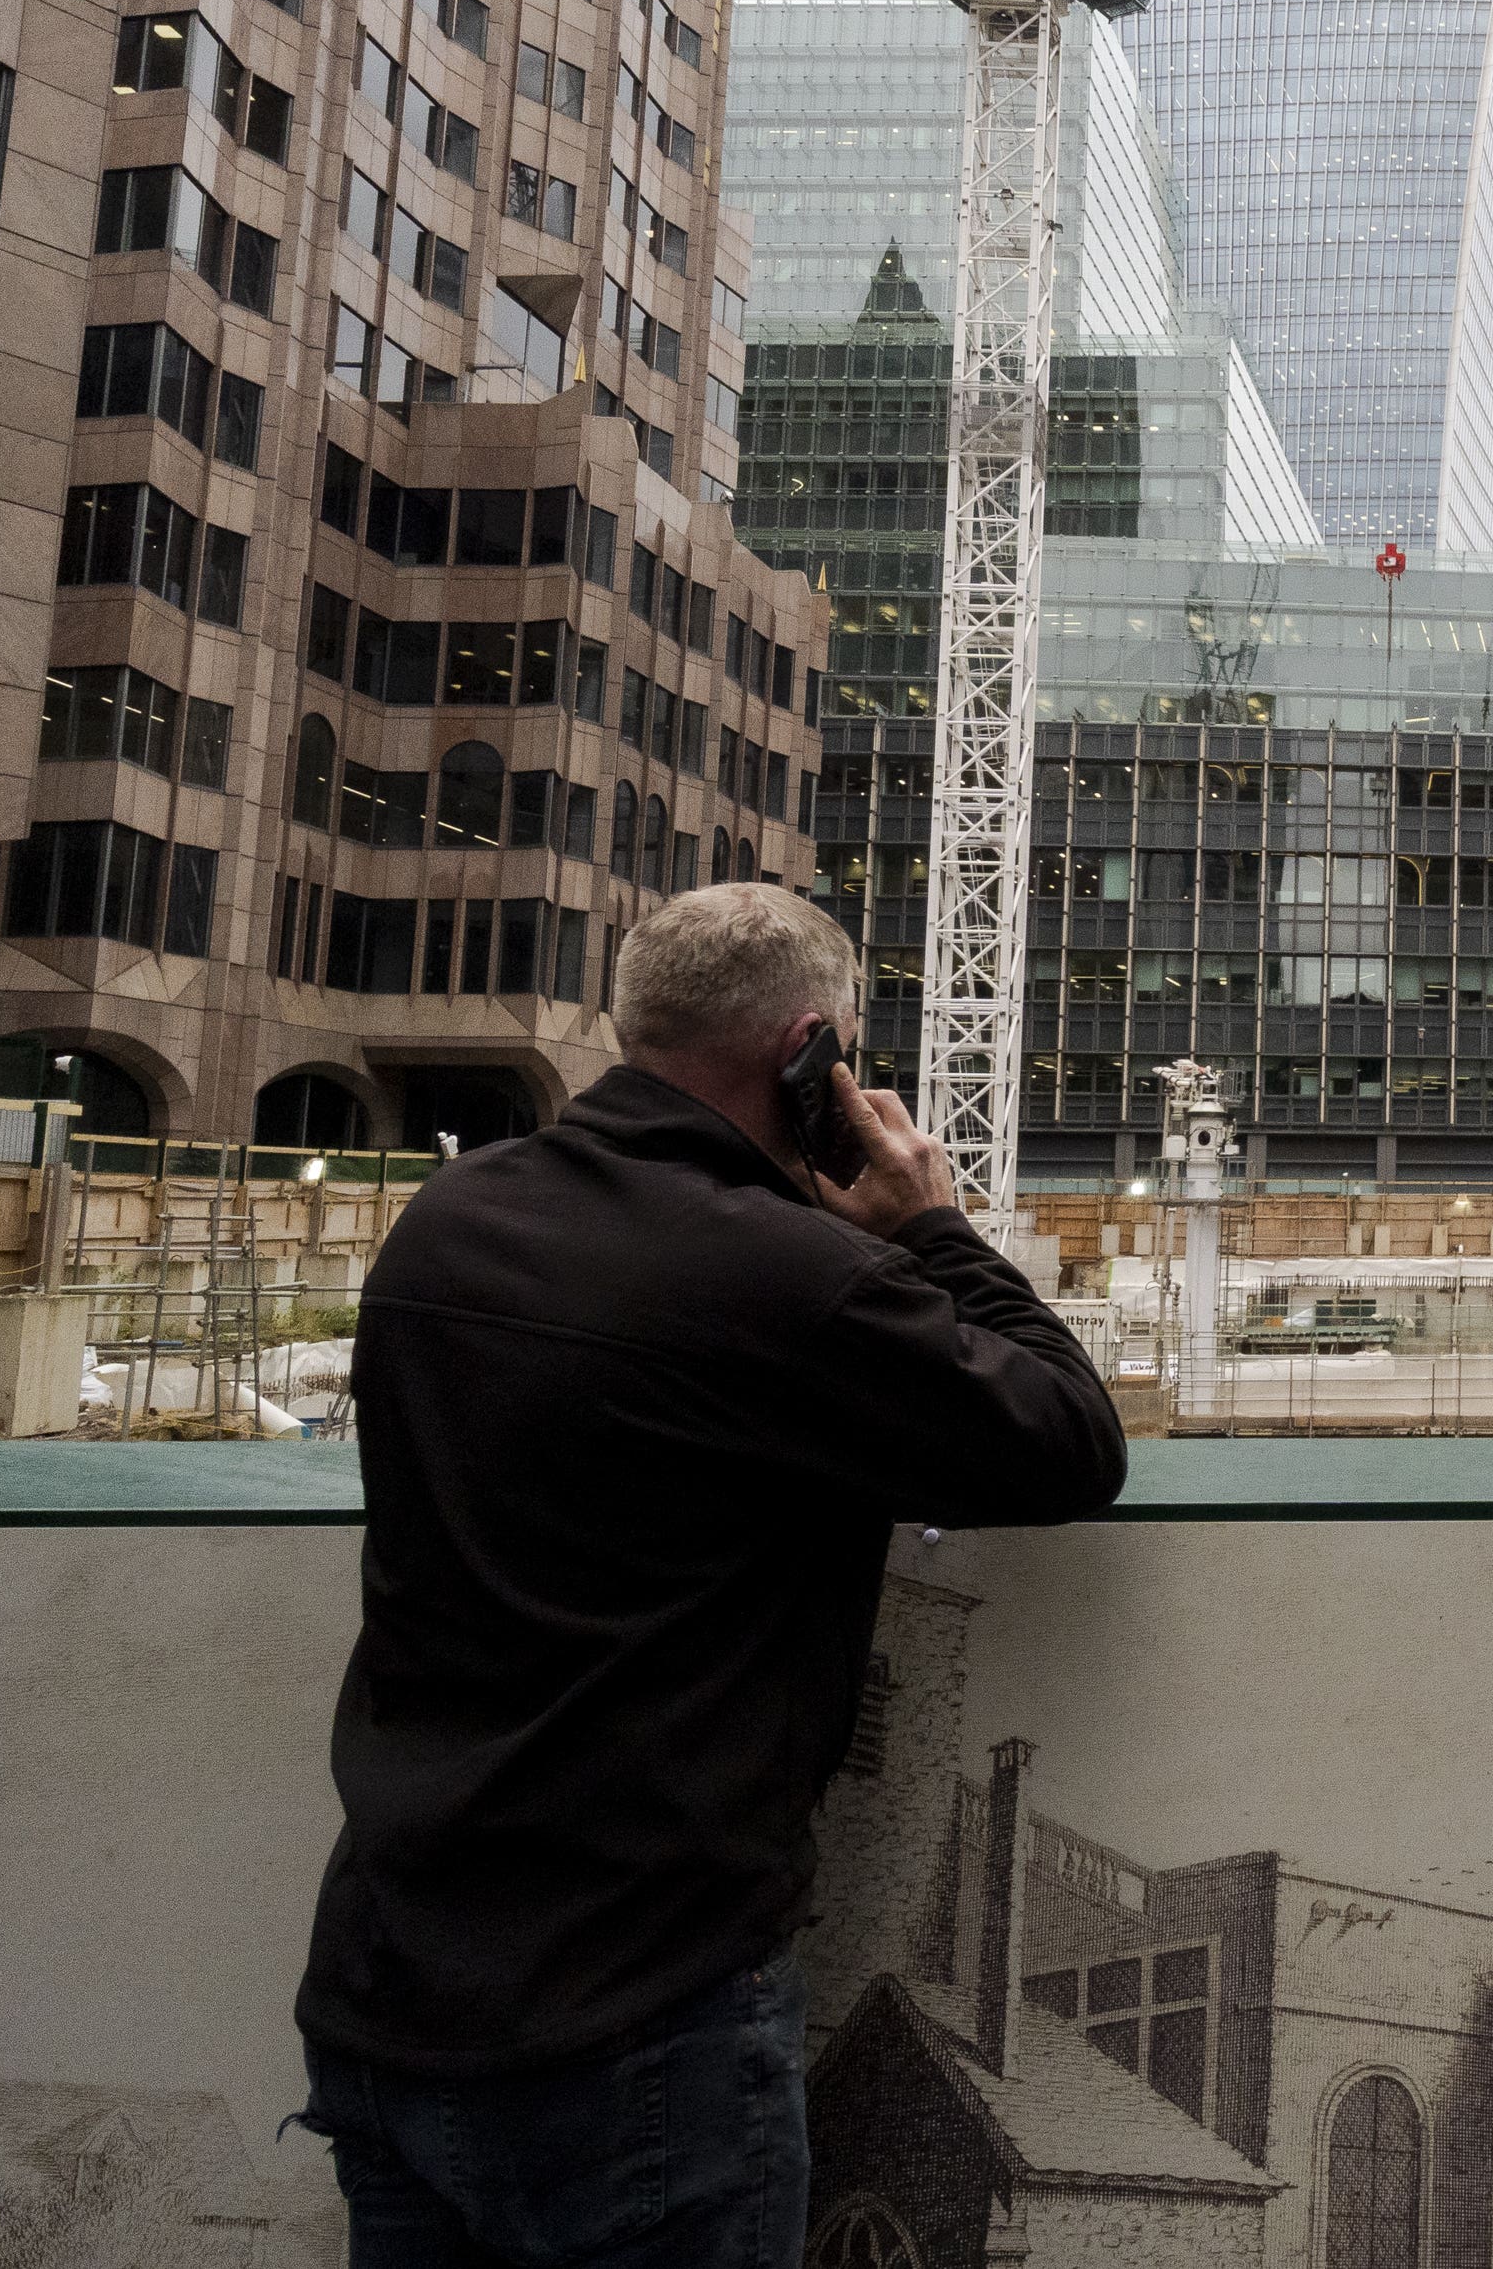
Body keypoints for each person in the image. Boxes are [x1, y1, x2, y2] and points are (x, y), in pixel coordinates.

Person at [293, 884, 1124, 2269]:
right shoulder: (785, 1279)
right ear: (809, 1058)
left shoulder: (445, 1223)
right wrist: (926, 1228)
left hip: (387, 1987)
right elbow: (1066, 1439)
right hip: (635, 2025)